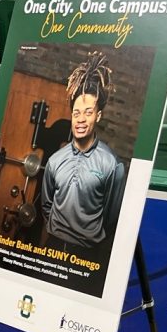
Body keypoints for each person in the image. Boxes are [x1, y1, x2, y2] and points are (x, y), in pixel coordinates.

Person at [39, 51, 127, 258]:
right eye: (76, 113)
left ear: (98, 116)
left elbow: (111, 216)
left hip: (87, 254)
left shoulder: (112, 164)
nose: (81, 119)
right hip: (52, 247)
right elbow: (46, 205)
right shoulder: (55, 160)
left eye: (88, 112)